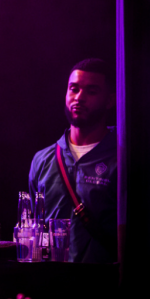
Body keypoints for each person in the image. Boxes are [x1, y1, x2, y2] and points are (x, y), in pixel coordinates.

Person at [27, 58, 116, 263]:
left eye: (91, 91)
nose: (79, 97)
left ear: (110, 100)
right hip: (51, 279)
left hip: (103, 279)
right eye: (73, 89)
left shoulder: (120, 157)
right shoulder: (43, 160)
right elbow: (36, 226)